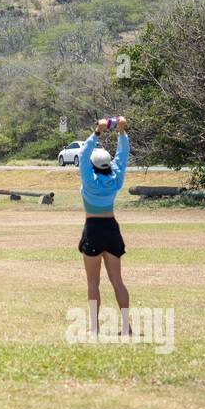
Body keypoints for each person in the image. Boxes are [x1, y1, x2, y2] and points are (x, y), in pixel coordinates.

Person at [77, 116, 130, 337]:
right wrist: (121, 131)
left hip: (93, 229)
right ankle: (126, 327)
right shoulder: (116, 177)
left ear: (93, 166)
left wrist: (97, 132)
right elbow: (122, 156)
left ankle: (94, 328)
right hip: (111, 228)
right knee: (118, 282)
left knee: (93, 282)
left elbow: (82, 154)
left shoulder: (89, 179)